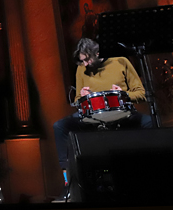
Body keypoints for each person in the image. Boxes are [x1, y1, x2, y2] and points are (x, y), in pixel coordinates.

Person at [52, 37, 152, 202]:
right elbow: (77, 100)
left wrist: (123, 94)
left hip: (122, 112)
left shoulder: (121, 61)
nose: (85, 64)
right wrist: (81, 96)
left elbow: (141, 93)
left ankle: (149, 177)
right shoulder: (81, 68)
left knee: (149, 122)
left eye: (87, 60)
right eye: (82, 61)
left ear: (98, 53)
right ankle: (68, 183)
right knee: (60, 126)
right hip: (93, 115)